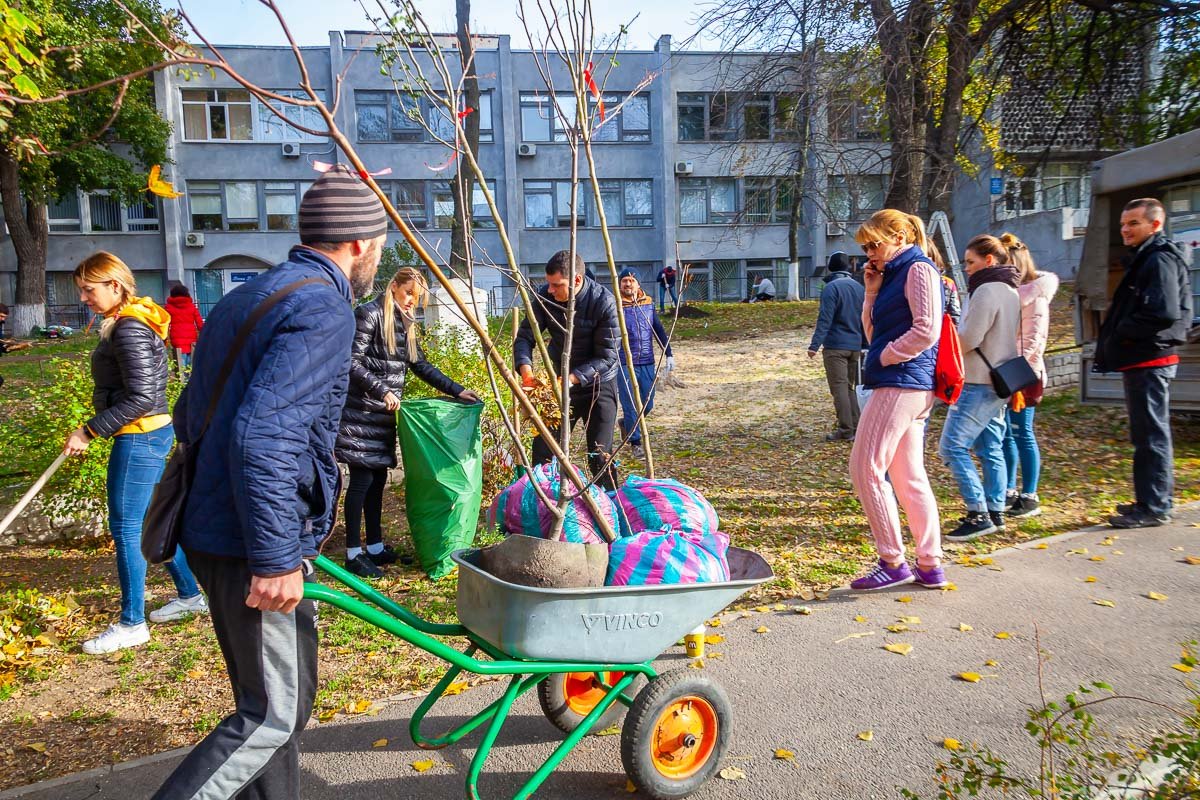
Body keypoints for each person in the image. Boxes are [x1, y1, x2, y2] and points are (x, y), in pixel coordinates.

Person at [152, 164, 385, 800]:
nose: (378, 259)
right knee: (272, 715)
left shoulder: (248, 295)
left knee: (271, 703)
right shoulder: (324, 310)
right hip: (248, 538)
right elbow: (264, 435)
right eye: (380, 246)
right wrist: (277, 555)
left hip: (217, 524)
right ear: (359, 244)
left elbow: (191, 412)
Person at [63, 253, 207, 656]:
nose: (84, 298)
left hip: (140, 435)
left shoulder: (128, 328)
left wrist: (89, 430)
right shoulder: (128, 322)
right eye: (81, 290)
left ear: (115, 285)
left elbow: (142, 398)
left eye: (89, 289)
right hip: (147, 433)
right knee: (145, 522)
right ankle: (190, 595)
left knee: (126, 528)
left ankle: (132, 622)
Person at [335, 267, 480, 579]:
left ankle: (374, 548)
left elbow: (421, 365)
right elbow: (351, 362)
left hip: (383, 416)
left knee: (377, 483)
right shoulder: (369, 314)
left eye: (417, 298)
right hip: (361, 414)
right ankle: (352, 554)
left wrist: (457, 390)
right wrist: (382, 390)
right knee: (360, 483)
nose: (413, 301)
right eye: (408, 294)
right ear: (394, 287)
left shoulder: (404, 324)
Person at [847, 209, 946, 591]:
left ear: (901, 236)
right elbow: (872, 333)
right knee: (907, 477)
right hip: (903, 382)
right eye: (865, 246)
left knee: (865, 468)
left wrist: (888, 355)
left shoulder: (918, 269)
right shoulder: (893, 274)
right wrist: (871, 291)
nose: (869, 252)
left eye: (875, 243)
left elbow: (927, 329)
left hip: (901, 382)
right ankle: (930, 563)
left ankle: (892, 561)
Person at [1094, 197, 1193, 529]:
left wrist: (1122, 332)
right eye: (1123, 223)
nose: (1125, 229)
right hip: (1145, 357)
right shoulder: (1147, 258)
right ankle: (1149, 499)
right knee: (1146, 434)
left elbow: (1162, 312)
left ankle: (1154, 506)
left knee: (1151, 435)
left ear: (1155, 224)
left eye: (1133, 223)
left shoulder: (1158, 259)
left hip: (1150, 357)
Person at [938, 235, 1021, 542]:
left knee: (951, 447)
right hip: (1001, 379)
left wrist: (943, 354)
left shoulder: (985, 290)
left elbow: (970, 337)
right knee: (990, 448)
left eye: (970, 262)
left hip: (977, 379)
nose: (967, 268)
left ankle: (978, 513)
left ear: (989, 260)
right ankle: (995, 509)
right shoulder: (1010, 290)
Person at [515, 250, 620, 491]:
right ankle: (542, 503)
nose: (550, 290)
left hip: (598, 385)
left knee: (599, 454)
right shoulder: (545, 297)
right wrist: (526, 372)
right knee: (544, 448)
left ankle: (613, 508)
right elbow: (524, 337)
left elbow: (608, 355)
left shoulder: (603, 302)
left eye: (556, 285)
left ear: (576, 280)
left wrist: (571, 379)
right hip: (559, 383)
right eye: (548, 284)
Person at [999, 233, 1058, 519]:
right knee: (1006, 434)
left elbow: (1033, 340)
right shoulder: (1007, 294)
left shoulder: (1034, 296)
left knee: (1022, 432)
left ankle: (1030, 493)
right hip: (1003, 371)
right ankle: (1008, 488)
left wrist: (1016, 371)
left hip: (1024, 374)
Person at [616, 268, 674, 460]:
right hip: (624, 362)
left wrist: (669, 353)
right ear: (620, 284)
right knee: (631, 404)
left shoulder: (648, 304)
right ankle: (636, 443)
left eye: (631, 280)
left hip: (647, 361)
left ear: (638, 284)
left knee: (647, 404)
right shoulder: (615, 306)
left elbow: (658, 330)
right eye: (624, 280)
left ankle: (627, 424)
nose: (628, 284)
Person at [808, 252, 866, 441]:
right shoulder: (860, 288)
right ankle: (856, 426)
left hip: (835, 346)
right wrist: (866, 344)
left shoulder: (831, 288)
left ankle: (845, 429)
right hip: (855, 346)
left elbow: (825, 318)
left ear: (831, 267)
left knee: (839, 387)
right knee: (850, 387)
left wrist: (814, 345)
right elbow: (866, 319)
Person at [164, 283, 204, 372]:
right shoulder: (192, 306)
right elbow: (200, 324)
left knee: (180, 366)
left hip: (177, 340)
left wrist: (165, 339)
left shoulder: (168, 307)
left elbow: (165, 324)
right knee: (191, 367)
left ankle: (181, 384)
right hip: (191, 340)